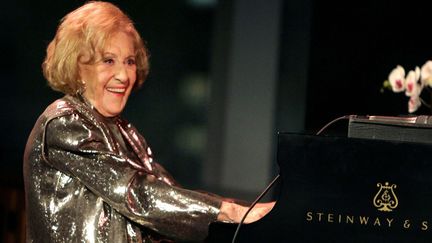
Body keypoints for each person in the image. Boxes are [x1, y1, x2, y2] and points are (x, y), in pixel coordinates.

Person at [23, 1, 274, 242]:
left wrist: (247, 210)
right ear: (78, 67)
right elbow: (138, 195)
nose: (123, 75)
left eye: (129, 61)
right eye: (108, 60)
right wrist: (230, 213)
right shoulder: (64, 123)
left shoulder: (123, 130)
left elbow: (168, 193)